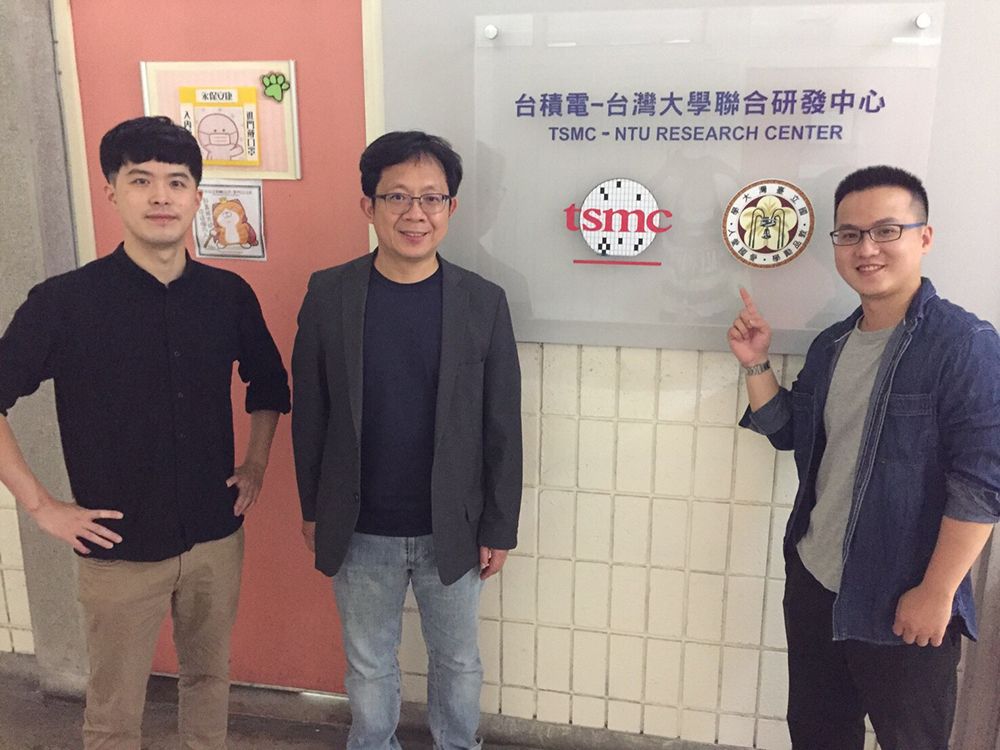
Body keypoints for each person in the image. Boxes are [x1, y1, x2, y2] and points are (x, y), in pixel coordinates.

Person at [0, 115, 291, 749]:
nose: (161, 196)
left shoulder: (227, 295)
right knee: (113, 712)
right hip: (118, 547)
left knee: (209, 680)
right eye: (141, 180)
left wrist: (255, 465)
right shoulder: (64, 302)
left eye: (176, 182)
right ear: (111, 190)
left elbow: (269, 385)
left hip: (215, 537)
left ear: (196, 196)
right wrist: (41, 506)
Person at [728, 165, 1000, 750]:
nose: (866, 248)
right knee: (818, 734)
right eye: (849, 234)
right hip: (816, 580)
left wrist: (937, 592)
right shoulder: (831, 344)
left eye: (886, 230)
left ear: (924, 238)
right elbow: (789, 431)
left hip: (903, 591)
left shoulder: (965, 345)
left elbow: (981, 485)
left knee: (912, 740)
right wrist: (756, 362)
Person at [292, 130, 522, 750]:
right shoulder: (329, 294)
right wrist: (313, 508)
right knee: (369, 666)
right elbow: (310, 411)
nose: (415, 213)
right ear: (367, 205)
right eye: (396, 196)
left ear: (452, 207)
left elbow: (503, 423)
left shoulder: (482, 302)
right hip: (360, 526)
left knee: (458, 662)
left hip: (454, 525)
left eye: (431, 197)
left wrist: (500, 526)